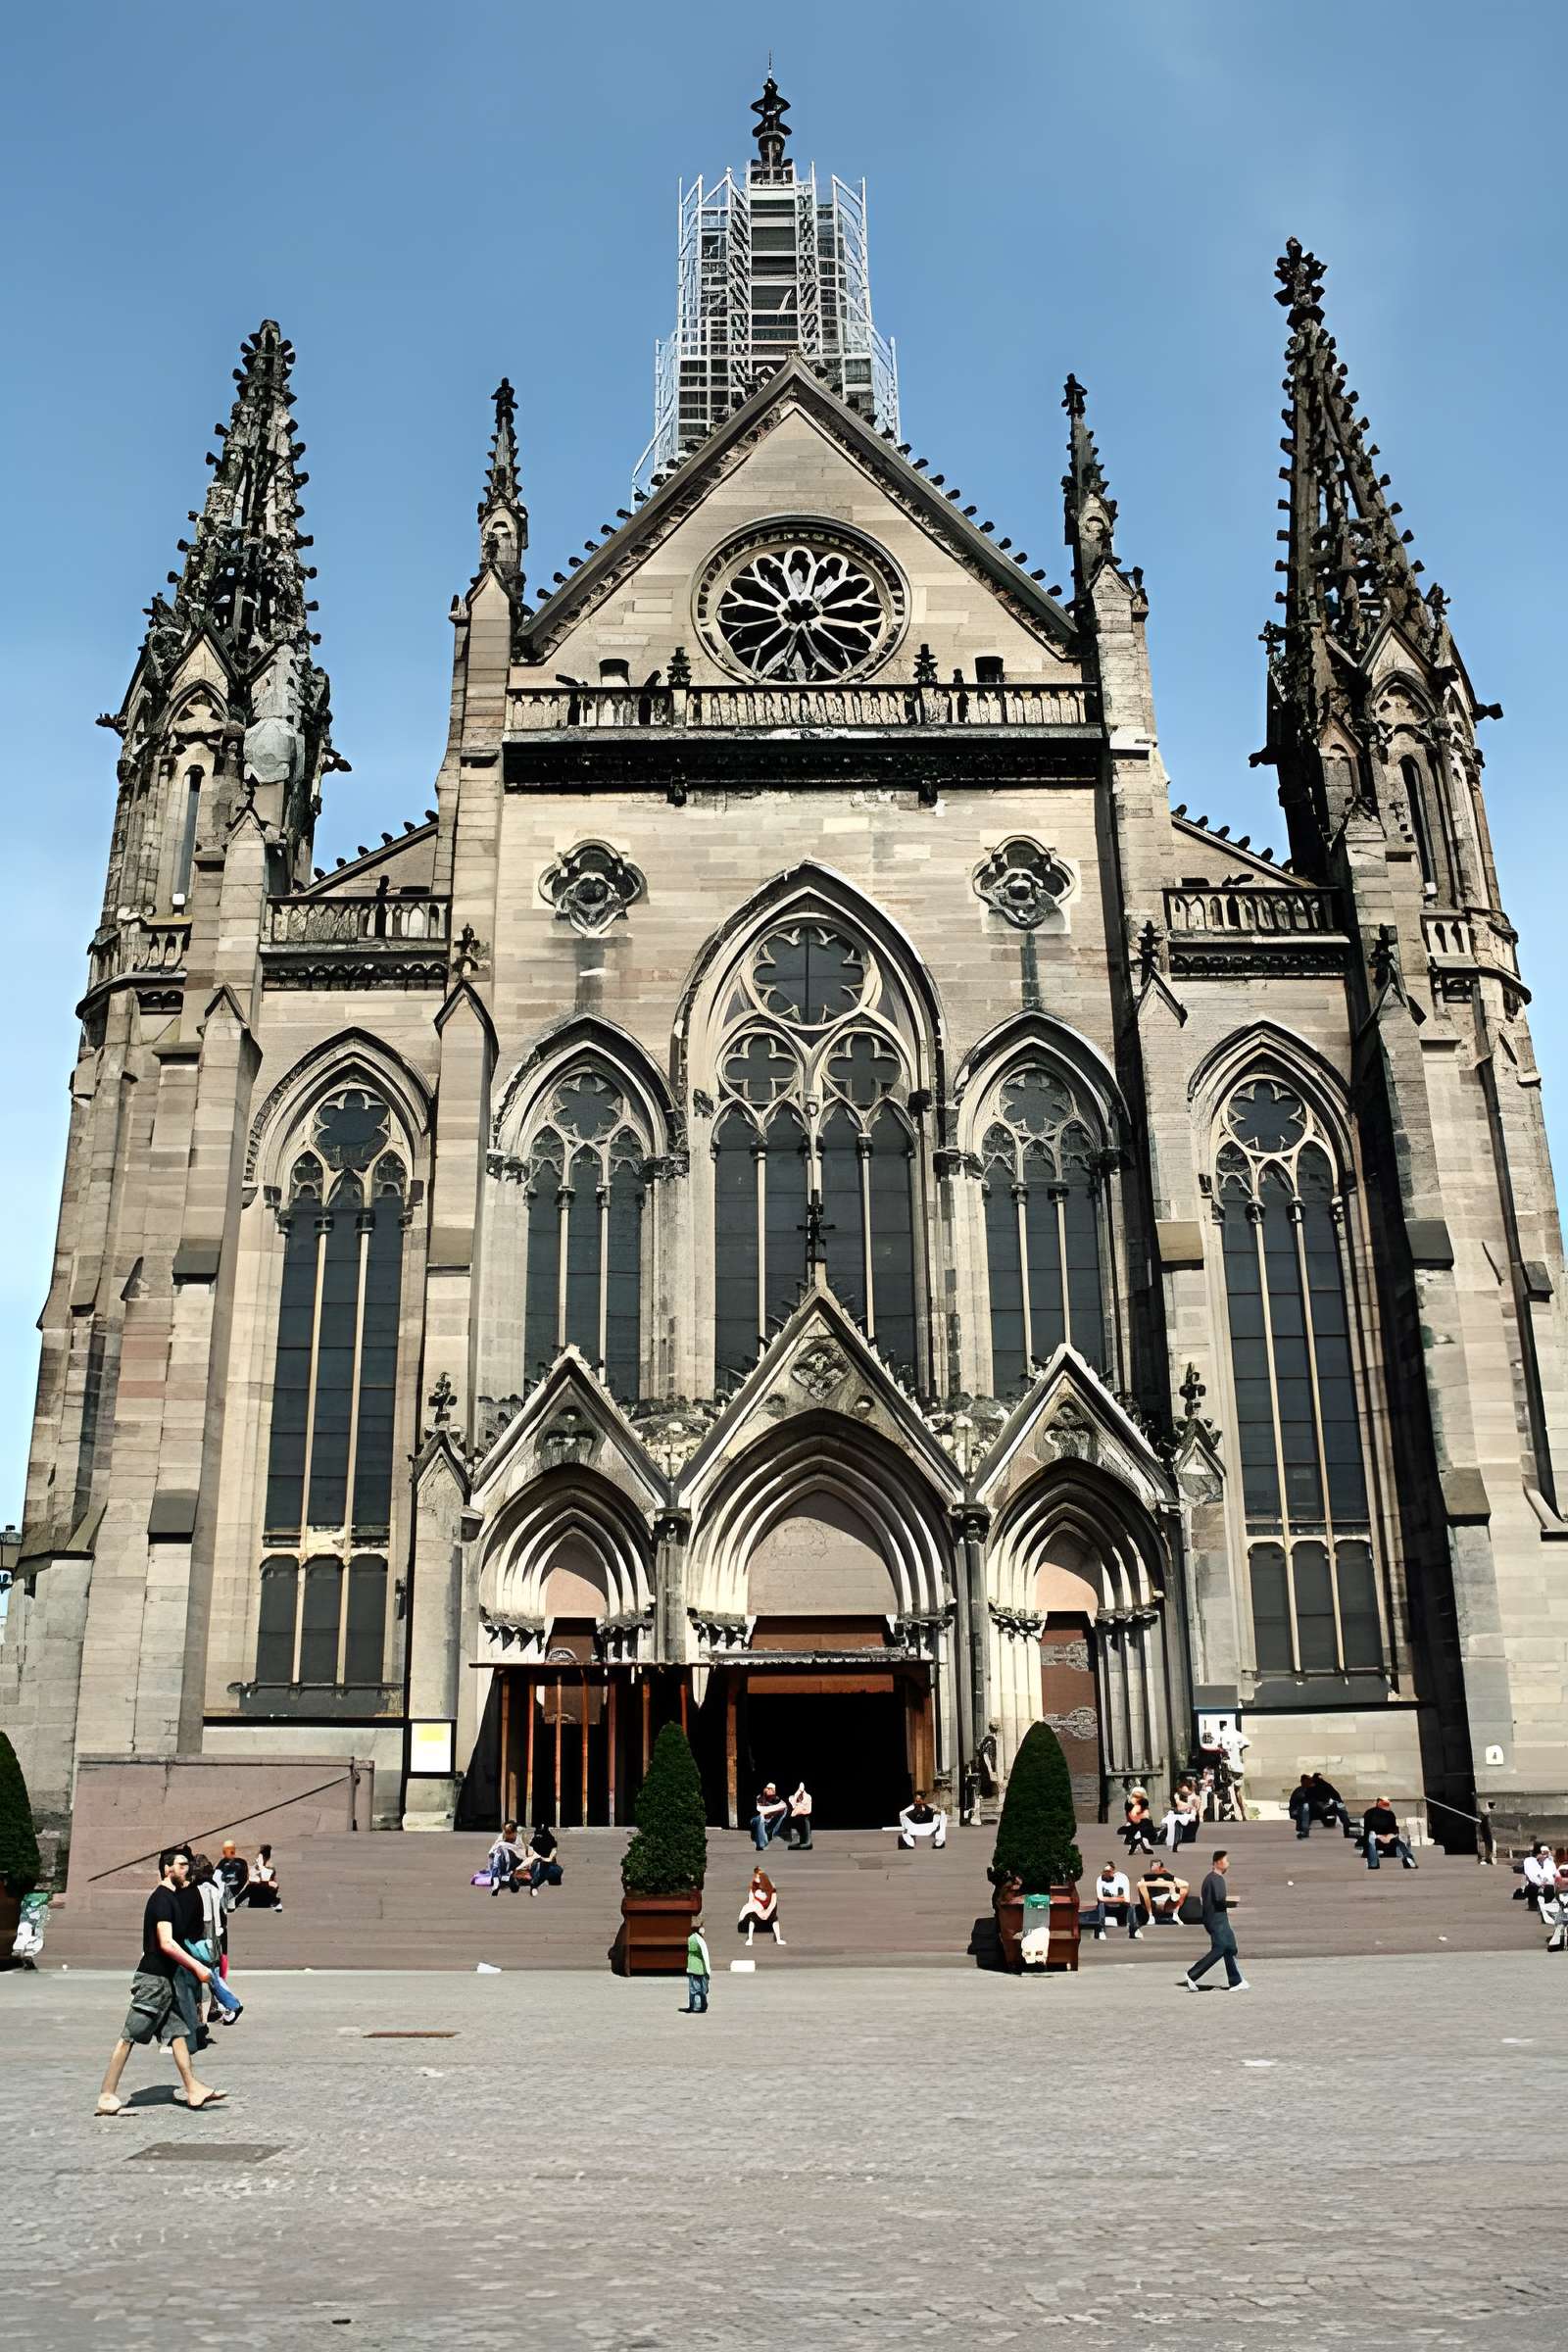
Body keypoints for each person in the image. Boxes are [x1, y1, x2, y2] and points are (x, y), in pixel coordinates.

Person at [95, 1849, 225, 2116]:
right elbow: (166, 1943)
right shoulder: (162, 1900)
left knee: (177, 2033)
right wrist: (197, 1966)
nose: (186, 1870)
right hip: (152, 1981)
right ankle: (106, 2095)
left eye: (187, 1865)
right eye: (181, 1865)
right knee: (129, 2036)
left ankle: (193, 2088)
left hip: (165, 1981)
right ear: (167, 1868)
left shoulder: (173, 1898)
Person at [1180, 1848, 1249, 1991]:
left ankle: (1236, 1981)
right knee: (1220, 1948)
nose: (1228, 1864)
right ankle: (1192, 1974)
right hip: (1217, 1919)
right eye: (1226, 1861)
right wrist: (1229, 1902)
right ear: (1218, 1862)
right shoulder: (1217, 1879)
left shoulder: (1209, 1878)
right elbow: (1218, 1899)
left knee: (1230, 1946)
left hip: (1215, 1918)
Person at [1086, 1860, 1142, 1941]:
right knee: (1101, 1905)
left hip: (1120, 1908)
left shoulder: (1122, 1878)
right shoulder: (1100, 1880)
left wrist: (1109, 1899)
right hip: (1106, 1908)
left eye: (1108, 1871)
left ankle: (1134, 1930)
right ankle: (1101, 1930)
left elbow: (1126, 1899)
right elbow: (1100, 1898)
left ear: (1113, 1871)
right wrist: (1118, 1899)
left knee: (1131, 1907)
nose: (1106, 1874)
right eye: (1104, 1871)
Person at [1362, 1796, 1419, 1871]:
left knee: (1403, 1838)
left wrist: (1390, 1836)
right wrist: (1379, 1836)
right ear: (1378, 1803)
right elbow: (1368, 1829)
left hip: (1389, 1838)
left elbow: (1394, 1828)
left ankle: (1408, 1860)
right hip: (1376, 1837)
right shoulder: (1369, 1813)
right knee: (1371, 1836)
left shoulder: (1390, 1814)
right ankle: (1373, 1863)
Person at [738, 1867, 785, 1946]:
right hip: (758, 1908)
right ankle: (750, 1939)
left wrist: (767, 1912)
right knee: (752, 1919)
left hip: (769, 1908)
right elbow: (751, 1900)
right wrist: (758, 1912)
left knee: (774, 1920)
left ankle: (778, 1938)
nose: (756, 1878)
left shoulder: (771, 1887)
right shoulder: (753, 1886)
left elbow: (773, 1902)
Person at [1138, 1855, 1190, 1927]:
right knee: (1142, 1886)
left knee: (1184, 1888)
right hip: (1152, 1900)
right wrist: (1165, 1883)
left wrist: (1172, 1884)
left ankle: (1175, 1913)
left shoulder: (1166, 1875)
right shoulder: (1147, 1876)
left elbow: (1185, 1884)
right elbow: (1140, 1884)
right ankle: (1150, 1916)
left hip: (1167, 1900)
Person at [1307, 1773, 1354, 1838]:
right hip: (1317, 1806)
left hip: (1327, 1805)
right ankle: (1305, 1829)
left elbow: (1336, 1795)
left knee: (1341, 1808)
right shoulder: (1311, 1787)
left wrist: (1339, 1802)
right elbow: (1307, 1798)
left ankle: (1347, 1827)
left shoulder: (1326, 1785)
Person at [487, 1822, 526, 1896]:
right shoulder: (501, 1838)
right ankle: (496, 1878)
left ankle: (503, 1878)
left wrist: (507, 1847)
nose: (507, 1834)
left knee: (503, 1851)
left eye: (510, 1832)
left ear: (515, 1832)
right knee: (499, 1852)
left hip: (514, 1864)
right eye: (506, 1832)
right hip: (500, 1864)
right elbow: (491, 1853)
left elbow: (522, 1856)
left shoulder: (519, 1839)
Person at [683, 1915, 711, 2014]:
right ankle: (699, 2006)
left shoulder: (690, 1938)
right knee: (700, 1989)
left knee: (693, 1989)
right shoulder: (699, 1940)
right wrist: (708, 1970)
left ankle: (693, 2005)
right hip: (700, 1968)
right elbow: (705, 1954)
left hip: (691, 1967)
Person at [1522, 1841, 1560, 1913]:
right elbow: (1532, 1876)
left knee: (1550, 1887)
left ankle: (1548, 1906)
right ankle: (1533, 1905)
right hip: (1535, 1885)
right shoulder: (1529, 1861)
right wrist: (1541, 1883)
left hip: (1547, 1885)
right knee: (1532, 1887)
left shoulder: (1549, 1862)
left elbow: (1553, 1876)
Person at [1160, 1781, 1200, 1849]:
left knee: (1184, 1822)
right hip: (1181, 1815)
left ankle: (1184, 1837)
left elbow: (1196, 1808)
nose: (1185, 1794)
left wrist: (1190, 1805)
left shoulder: (1194, 1797)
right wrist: (1188, 1806)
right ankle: (1176, 1838)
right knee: (1174, 1822)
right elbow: (1179, 1807)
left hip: (1189, 1818)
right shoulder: (1177, 1796)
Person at [526, 1824, 564, 1892]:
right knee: (557, 1871)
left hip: (544, 1865)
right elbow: (552, 1855)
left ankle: (537, 1879)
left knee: (556, 1871)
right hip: (542, 1865)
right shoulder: (550, 1839)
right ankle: (538, 1879)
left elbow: (530, 1855)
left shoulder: (535, 1840)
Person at [750, 1785, 787, 1850]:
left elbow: (783, 1805)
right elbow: (759, 1809)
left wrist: (768, 1811)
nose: (771, 1790)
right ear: (765, 1789)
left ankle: (772, 1833)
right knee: (760, 1818)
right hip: (757, 1822)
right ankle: (761, 1844)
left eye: (773, 1789)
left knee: (784, 1810)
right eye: (768, 1788)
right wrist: (775, 1809)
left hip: (769, 1823)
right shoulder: (759, 1797)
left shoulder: (776, 1799)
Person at [1119, 1789, 1155, 1856]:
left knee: (1140, 1835)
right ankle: (1138, 1847)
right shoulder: (1131, 1803)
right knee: (1138, 1835)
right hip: (1137, 1822)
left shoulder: (1142, 1802)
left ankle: (1138, 1847)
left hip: (1141, 1822)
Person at [248, 1844, 282, 1908]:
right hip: (257, 1902)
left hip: (263, 1902)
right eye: (257, 1858)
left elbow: (275, 1887)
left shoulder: (271, 1870)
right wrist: (268, 1883)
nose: (256, 1860)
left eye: (259, 1858)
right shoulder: (253, 1870)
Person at [783, 1781, 813, 1851]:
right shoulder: (792, 1798)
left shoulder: (808, 1797)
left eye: (802, 1793)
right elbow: (792, 1811)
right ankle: (801, 1840)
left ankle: (807, 1841)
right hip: (797, 1818)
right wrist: (796, 1796)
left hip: (805, 1818)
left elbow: (807, 1811)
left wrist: (798, 1810)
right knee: (793, 1818)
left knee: (805, 1818)